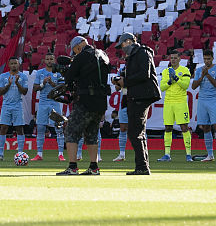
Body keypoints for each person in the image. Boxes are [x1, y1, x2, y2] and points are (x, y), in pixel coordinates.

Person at [56, 36, 110, 176]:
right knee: (92, 134)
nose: (75, 54)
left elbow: (69, 78)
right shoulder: (103, 55)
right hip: (101, 101)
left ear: (78, 47)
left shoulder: (81, 57)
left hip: (85, 100)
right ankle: (94, 167)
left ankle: (73, 167)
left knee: (71, 131)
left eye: (75, 51)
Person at [114, 32, 159, 175]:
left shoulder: (141, 53)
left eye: (122, 45)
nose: (122, 48)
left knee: (135, 132)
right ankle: (142, 166)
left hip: (140, 95)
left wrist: (124, 82)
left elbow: (143, 74)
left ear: (128, 41)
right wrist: (121, 80)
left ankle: (142, 167)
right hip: (139, 95)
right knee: (138, 132)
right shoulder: (139, 54)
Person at [192, 50, 216, 163]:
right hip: (202, 101)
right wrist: (201, 76)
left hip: (213, 101)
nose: (206, 61)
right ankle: (210, 155)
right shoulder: (199, 70)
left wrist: (207, 75)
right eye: (205, 59)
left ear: (213, 59)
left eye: (208, 59)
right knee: (206, 128)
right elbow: (194, 86)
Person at [157, 46, 193, 162]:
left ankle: (188, 154)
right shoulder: (166, 72)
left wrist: (176, 78)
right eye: (171, 58)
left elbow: (186, 85)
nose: (173, 60)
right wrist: (169, 81)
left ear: (179, 59)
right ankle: (167, 154)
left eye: (175, 58)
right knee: (168, 128)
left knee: (184, 127)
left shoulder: (185, 70)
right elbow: (162, 87)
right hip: (168, 103)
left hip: (180, 102)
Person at [0, 56, 29, 161]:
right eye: (12, 63)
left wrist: (17, 83)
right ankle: (0, 155)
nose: (14, 65)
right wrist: (9, 84)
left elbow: (25, 92)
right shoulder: (4, 76)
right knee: (3, 127)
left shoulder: (23, 76)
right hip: (6, 105)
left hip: (18, 104)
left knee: (19, 128)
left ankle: (20, 154)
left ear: (19, 64)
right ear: (9, 65)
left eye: (15, 63)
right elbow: (0, 92)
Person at [30, 53, 65, 161]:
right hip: (43, 103)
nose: (49, 61)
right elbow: (35, 88)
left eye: (51, 59)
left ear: (54, 60)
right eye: (47, 59)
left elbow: (63, 88)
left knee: (59, 128)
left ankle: (60, 154)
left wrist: (52, 83)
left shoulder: (59, 73)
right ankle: (39, 154)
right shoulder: (40, 73)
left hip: (55, 102)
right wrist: (43, 83)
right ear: (44, 60)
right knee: (40, 127)